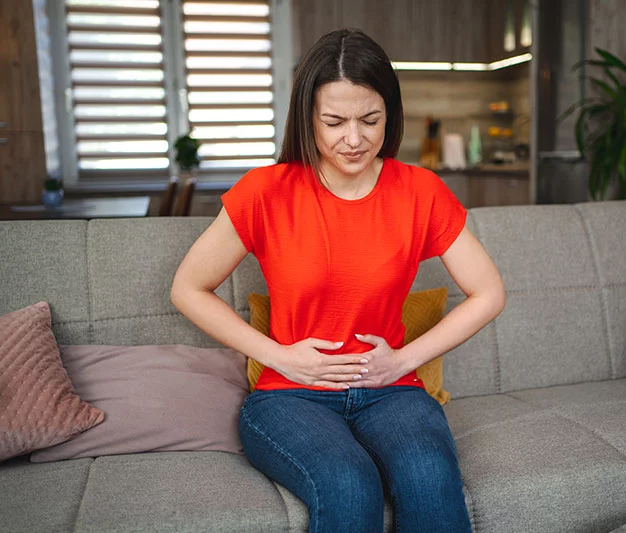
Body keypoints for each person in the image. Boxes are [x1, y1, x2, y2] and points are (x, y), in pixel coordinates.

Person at [171, 28, 505, 533]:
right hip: (289, 395)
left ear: (389, 114)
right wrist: (280, 356)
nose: (354, 139)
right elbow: (187, 288)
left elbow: (489, 292)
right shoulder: (266, 191)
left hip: (391, 390)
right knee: (349, 482)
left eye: (370, 119)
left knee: (428, 473)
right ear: (307, 118)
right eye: (334, 121)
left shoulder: (420, 191)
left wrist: (405, 359)